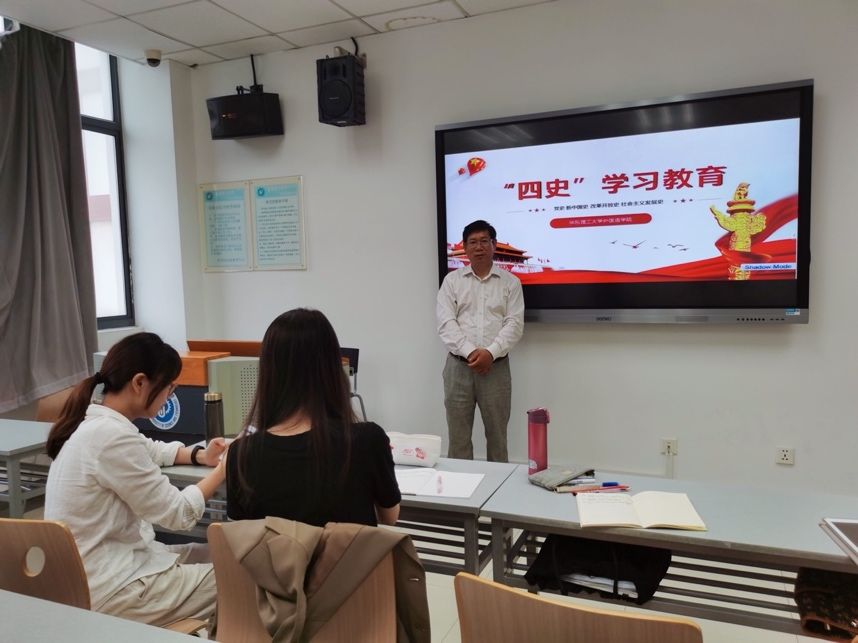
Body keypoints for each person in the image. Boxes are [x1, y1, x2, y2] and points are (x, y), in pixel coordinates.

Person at [44, 332, 228, 627]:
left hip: (97, 577)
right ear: (140, 382)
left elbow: (149, 449)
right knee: (242, 573)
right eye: (169, 387)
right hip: (114, 590)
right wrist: (222, 469)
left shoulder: (93, 424)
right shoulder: (112, 436)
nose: (170, 395)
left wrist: (201, 456)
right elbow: (179, 513)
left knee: (224, 552)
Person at [225, 308, 401, 527]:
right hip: (350, 552)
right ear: (332, 369)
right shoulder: (368, 440)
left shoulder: (241, 454)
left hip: (274, 552)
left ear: (269, 373)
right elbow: (390, 517)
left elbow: (237, 535)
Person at [437, 219, 524, 462]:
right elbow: (446, 322)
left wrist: (490, 353)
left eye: (484, 241)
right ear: (464, 247)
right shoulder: (452, 281)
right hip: (458, 368)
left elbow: (514, 324)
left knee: (498, 438)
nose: (479, 247)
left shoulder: (511, 282)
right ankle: (460, 485)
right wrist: (472, 353)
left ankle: (498, 485)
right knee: (458, 438)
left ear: (494, 245)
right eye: (473, 242)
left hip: (496, 369)